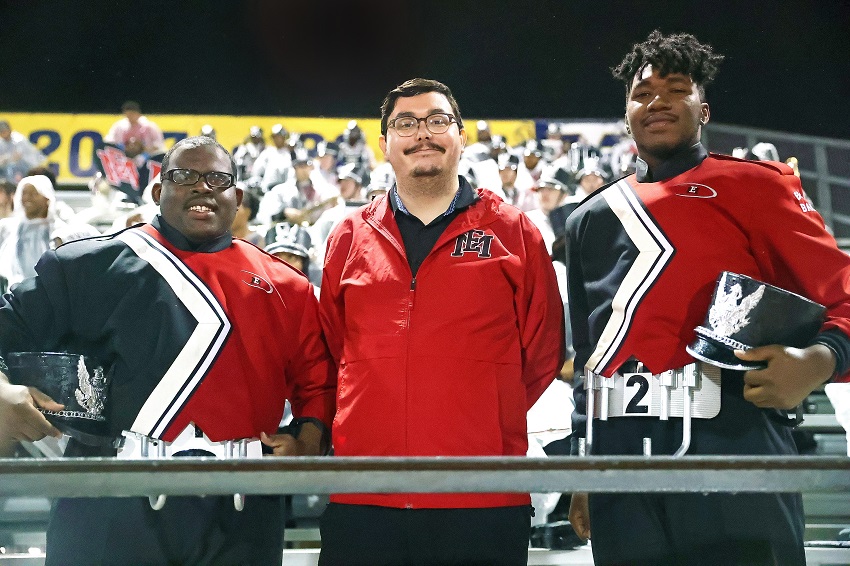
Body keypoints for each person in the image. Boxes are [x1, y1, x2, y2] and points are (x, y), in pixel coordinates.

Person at [565, 31, 850, 566]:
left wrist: (821, 359)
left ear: (704, 109)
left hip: (735, 441)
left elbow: (845, 296)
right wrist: (584, 470)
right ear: (625, 115)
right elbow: (589, 361)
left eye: (676, 89)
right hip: (619, 461)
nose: (657, 101)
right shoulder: (587, 219)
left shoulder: (756, 186)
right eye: (642, 92)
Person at [0, 136, 336, 565]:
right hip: (108, 496)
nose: (203, 188)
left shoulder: (287, 288)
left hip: (242, 505)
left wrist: (308, 440)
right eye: (185, 177)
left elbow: (319, 379)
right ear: (159, 191)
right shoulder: (86, 266)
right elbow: (8, 328)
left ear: (237, 197)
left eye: (218, 179)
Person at [318, 78, 565, 566]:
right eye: (405, 124)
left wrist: (476, 414)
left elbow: (541, 355)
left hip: (481, 498)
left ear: (462, 135)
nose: (422, 134)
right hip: (366, 497)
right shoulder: (347, 236)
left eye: (437, 121)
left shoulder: (514, 231)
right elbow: (333, 349)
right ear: (385, 143)